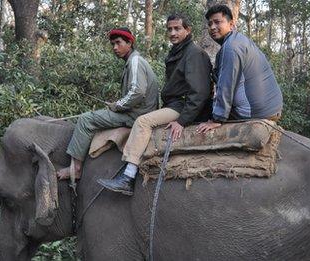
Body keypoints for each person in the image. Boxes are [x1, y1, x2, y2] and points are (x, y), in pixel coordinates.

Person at [97, 14, 213, 195]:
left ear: (187, 30)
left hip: (182, 107)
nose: (173, 33)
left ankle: (128, 177)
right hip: (175, 104)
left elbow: (200, 92)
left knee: (143, 122)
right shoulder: (178, 52)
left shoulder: (194, 54)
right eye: (169, 29)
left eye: (177, 29)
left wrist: (182, 121)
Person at [57, 27, 159, 180]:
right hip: (138, 111)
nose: (115, 48)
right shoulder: (133, 61)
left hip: (136, 115)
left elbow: (138, 92)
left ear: (130, 43)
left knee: (86, 119)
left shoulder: (135, 61)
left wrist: (117, 105)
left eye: (118, 43)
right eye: (113, 44)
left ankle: (76, 168)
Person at [196, 4, 283, 134]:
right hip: (272, 107)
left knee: (200, 112)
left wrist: (217, 119)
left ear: (231, 24)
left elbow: (226, 84)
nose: (213, 27)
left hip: (256, 112)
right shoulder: (238, 40)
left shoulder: (231, 47)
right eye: (210, 24)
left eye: (217, 22)